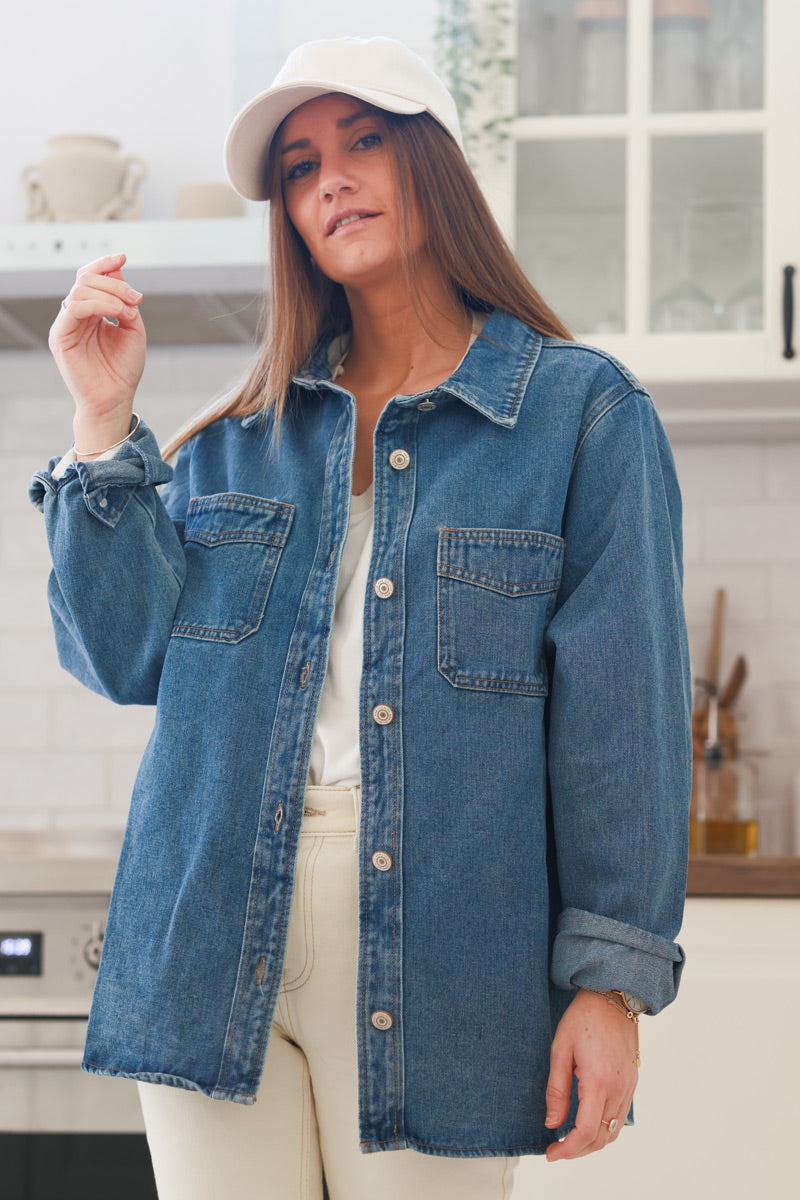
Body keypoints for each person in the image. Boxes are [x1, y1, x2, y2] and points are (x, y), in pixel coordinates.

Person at [30, 35, 691, 1200]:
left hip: (445, 967)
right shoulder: (240, 439)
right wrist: (101, 429)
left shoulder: (581, 419)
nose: (328, 179)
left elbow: (621, 731)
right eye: (298, 165)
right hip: (201, 937)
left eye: (363, 142)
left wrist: (610, 984)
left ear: (430, 160)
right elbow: (124, 656)